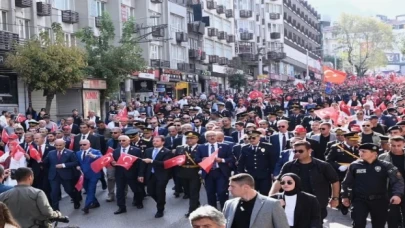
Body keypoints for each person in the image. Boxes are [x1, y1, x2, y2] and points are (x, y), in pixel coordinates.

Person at [269, 140, 340, 220]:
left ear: (309, 151)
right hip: (294, 203)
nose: (297, 153)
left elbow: (335, 181)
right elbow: (278, 181)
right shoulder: (289, 166)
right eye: (295, 151)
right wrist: (271, 197)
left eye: (301, 151)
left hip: (318, 203)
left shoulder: (323, 166)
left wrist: (335, 198)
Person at [342, 143, 405, 228]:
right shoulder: (355, 165)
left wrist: (397, 195)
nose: (360, 153)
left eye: (364, 151)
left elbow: (398, 181)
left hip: (379, 201)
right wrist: (344, 196)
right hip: (359, 200)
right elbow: (346, 182)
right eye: (360, 151)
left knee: (378, 225)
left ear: (374, 153)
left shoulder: (386, 165)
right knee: (358, 224)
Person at [223, 173, 289, 228]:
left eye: (232, 186)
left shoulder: (272, 204)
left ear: (246, 187)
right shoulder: (229, 204)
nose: (229, 189)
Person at [195, 131, 233, 210]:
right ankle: (213, 211)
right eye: (209, 136)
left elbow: (231, 158)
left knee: (222, 192)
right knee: (210, 193)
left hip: (221, 172)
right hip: (208, 172)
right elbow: (197, 159)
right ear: (206, 138)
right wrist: (202, 159)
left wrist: (222, 160)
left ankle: (225, 209)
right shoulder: (201, 147)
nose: (212, 137)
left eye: (213, 135)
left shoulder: (225, 146)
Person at [42, 139, 80, 210]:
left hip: (66, 175)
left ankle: (76, 200)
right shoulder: (51, 153)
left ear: (64, 144)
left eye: (60, 145)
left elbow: (75, 162)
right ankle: (56, 210)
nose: (58, 147)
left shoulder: (70, 153)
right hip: (54, 175)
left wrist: (63, 165)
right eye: (56, 145)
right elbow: (45, 162)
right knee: (54, 193)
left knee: (69, 190)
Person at [111, 135, 144, 214]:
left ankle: (139, 202)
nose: (121, 142)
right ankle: (121, 207)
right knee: (119, 191)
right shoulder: (116, 151)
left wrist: (140, 174)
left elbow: (140, 163)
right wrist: (113, 163)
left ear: (129, 141)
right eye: (120, 141)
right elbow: (114, 162)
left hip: (132, 174)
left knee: (136, 190)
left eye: (123, 140)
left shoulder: (136, 150)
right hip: (120, 174)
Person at [141, 136, 172, 218]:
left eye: (157, 141)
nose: (154, 142)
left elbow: (165, 164)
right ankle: (161, 202)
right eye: (153, 141)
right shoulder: (148, 150)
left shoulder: (167, 152)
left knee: (160, 192)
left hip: (162, 175)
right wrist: (141, 174)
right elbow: (143, 163)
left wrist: (152, 161)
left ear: (163, 142)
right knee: (150, 192)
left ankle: (160, 210)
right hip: (151, 174)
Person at [237, 130, 276, 195]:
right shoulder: (245, 148)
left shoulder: (267, 146)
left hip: (264, 175)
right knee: (251, 194)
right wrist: (241, 174)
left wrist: (272, 172)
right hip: (251, 176)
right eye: (249, 138)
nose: (251, 140)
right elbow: (241, 162)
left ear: (259, 138)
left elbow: (272, 161)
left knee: (265, 193)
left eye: (253, 138)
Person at [379, 136, 405, 228]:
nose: (396, 148)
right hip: (390, 190)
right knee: (391, 217)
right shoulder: (382, 157)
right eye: (393, 145)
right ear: (389, 145)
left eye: (399, 145)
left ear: (403, 144)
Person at [175, 131, 202, 217]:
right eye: (188, 138)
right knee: (188, 192)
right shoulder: (180, 148)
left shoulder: (201, 148)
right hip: (183, 172)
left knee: (194, 192)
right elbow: (176, 159)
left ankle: (192, 211)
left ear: (197, 139)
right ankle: (196, 203)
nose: (189, 140)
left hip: (195, 172)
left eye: (192, 138)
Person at [75, 139, 102, 214]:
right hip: (83, 175)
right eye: (81, 145)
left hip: (94, 174)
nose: (82, 146)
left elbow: (102, 158)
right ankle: (95, 203)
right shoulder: (78, 153)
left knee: (91, 189)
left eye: (84, 144)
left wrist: (94, 156)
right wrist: (77, 166)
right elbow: (77, 162)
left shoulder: (95, 151)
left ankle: (86, 206)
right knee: (87, 189)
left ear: (89, 144)